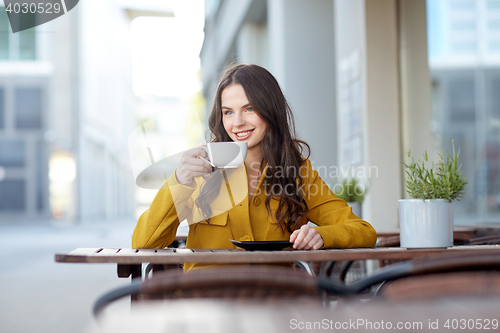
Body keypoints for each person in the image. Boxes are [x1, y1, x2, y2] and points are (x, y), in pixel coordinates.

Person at [132, 64, 376, 271]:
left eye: (249, 109)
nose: (237, 122)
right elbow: (143, 242)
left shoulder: (298, 172)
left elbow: (363, 231)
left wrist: (322, 236)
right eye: (228, 112)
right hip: (206, 305)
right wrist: (179, 182)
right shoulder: (200, 168)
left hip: (273, 305)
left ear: (270, 110)